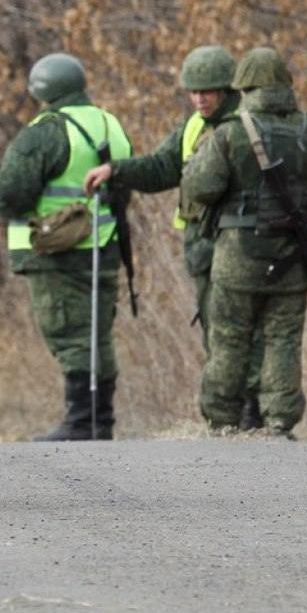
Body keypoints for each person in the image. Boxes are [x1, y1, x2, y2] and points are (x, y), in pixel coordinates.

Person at [84, 45, 265, 431]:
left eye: (209, 91)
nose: (200, 98)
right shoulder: (193, 127)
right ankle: (230, 416)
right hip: (201, 246)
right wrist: (116, 171)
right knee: (217, 329)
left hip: (243, 243)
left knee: (243, 327)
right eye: (194, 91)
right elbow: (162, 168)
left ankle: (253, 410)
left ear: (228, 90)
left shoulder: (249, 126)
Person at [180, 47, 307, 438]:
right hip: (293, 256)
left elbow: (199, 186)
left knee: (229, 336)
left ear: (244, 88)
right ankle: (278, 418)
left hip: (237, 256)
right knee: (283, 336)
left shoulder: (230, 133)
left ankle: (223, 419)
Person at [0, 53, 133, 440]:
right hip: (105, 244)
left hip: (56, 250)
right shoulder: (109, 123)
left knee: (69, 331)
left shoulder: (45, 131)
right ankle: (100, 421)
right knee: (97, 331)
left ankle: (80, 422)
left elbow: (12, 194)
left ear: (40, 90)